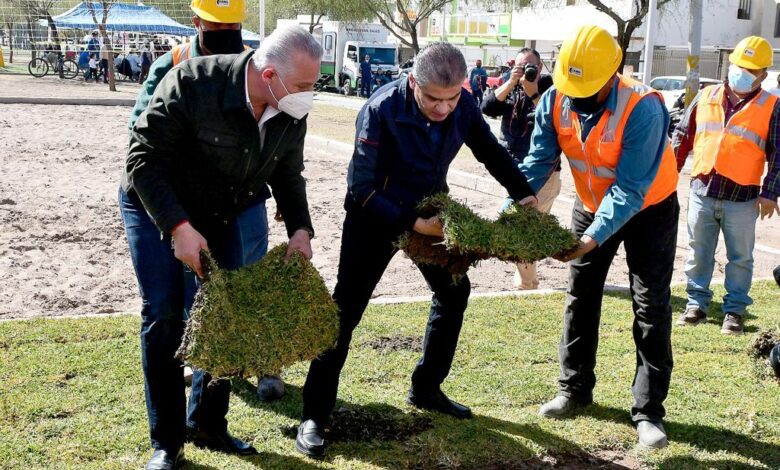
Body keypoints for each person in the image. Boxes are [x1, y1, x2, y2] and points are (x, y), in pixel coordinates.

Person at [294, 42, 538, 459]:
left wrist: (524, 195)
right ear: (413, 83)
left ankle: (426, 387)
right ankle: (314, 414)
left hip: (430, 213)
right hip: (374, 216)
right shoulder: (381, 109)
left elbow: (491, 152)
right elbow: (361, 187)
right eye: (432, 99)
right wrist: (412, 223)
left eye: (452, 98)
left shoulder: (462, 106)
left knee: (454, 291)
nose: (443, 109)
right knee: (346, 309)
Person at [122, 25, 322, 470]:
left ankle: (209, 423)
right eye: (306, 86)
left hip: (222, 207)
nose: (310, 95)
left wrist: (301, 230)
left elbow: (288, 176)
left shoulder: (290, 108)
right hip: (156, 202)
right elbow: (142, 160)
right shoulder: (193, 83)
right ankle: (167, 443)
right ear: (269, 74)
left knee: (227, 315)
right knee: (165, 313)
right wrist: (177, 227)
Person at [519, 25, 680, 450]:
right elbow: (538, 161)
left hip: (650, 210)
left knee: (650, 305)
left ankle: (648, 412)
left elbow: (630, 189)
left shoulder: (643, 107)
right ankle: (573, 390)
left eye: (586, 87)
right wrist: (512, 206)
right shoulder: (556, 99)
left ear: (614, 73)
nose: (577, 95)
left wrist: (589, 239)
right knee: (581, 295)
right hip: (591, 205)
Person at [127, 0, 288, 407]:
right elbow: (143, 144)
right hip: (174, 198)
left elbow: (277, 148)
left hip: (233, 199)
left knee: (235, 289)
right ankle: (189, 364)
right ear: (196, 22)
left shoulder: (257, 68)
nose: (226, 33)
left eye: (233, 24)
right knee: (173, 301)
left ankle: (252, 370)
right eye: (217, 24)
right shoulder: (174, 67)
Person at [672, 36, 780, 335]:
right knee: (698, 252)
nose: (742, 72)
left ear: (763, 74)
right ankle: (696, 304)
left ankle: (734, 311)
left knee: (741, 257)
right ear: (730, 64)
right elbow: (682, 136)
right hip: (702, 189)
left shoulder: (772, 106)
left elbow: (779, 153)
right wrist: (668, 177)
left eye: (751, 69)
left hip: (742, 196)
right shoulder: (706, 95)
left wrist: (770, 193)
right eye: (739, 65)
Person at [482, 47, 558, 290]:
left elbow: (553, 121)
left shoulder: (550, 86)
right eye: (521, 65)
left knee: (517, 224)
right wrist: (511, 81)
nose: (526, 70)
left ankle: (526, 283)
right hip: (515, 171)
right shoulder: (510, 84)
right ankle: (529, 281)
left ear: (540, 66)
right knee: (527, 228)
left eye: (530, 66)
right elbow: (487, 108)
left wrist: (534, 93)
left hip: (541, 173)